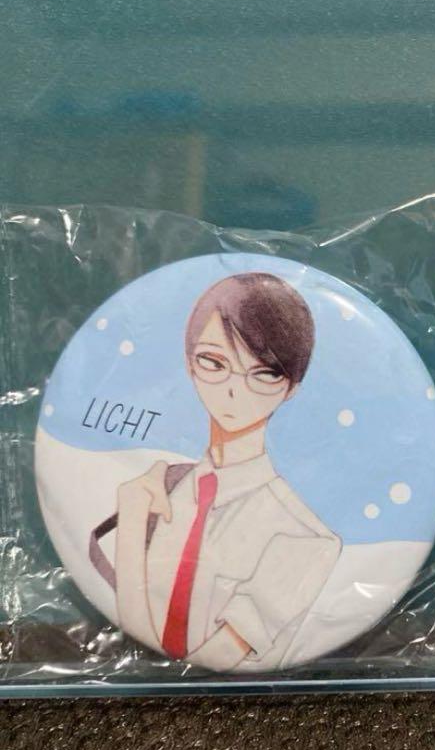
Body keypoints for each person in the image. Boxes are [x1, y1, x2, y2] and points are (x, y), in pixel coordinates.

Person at [99, 273, 341, 671]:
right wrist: (134, 516)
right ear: (189, 364)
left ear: (292, 387)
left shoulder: (305, 537)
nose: (233, 389)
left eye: (265, 373)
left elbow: (204, 666)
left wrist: (133, 526)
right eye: (214, 362)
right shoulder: (165, 492)